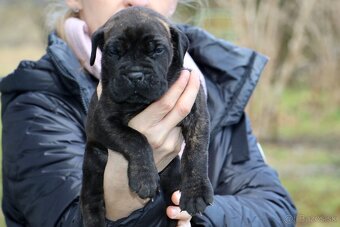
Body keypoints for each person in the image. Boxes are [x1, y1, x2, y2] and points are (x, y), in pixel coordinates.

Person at [0, 0, 297, 226]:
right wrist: (118, 204)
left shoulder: (215, 84)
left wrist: (192, 211)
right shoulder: (37, 103)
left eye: (153, 51)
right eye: (116, 52)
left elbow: (276, 209)